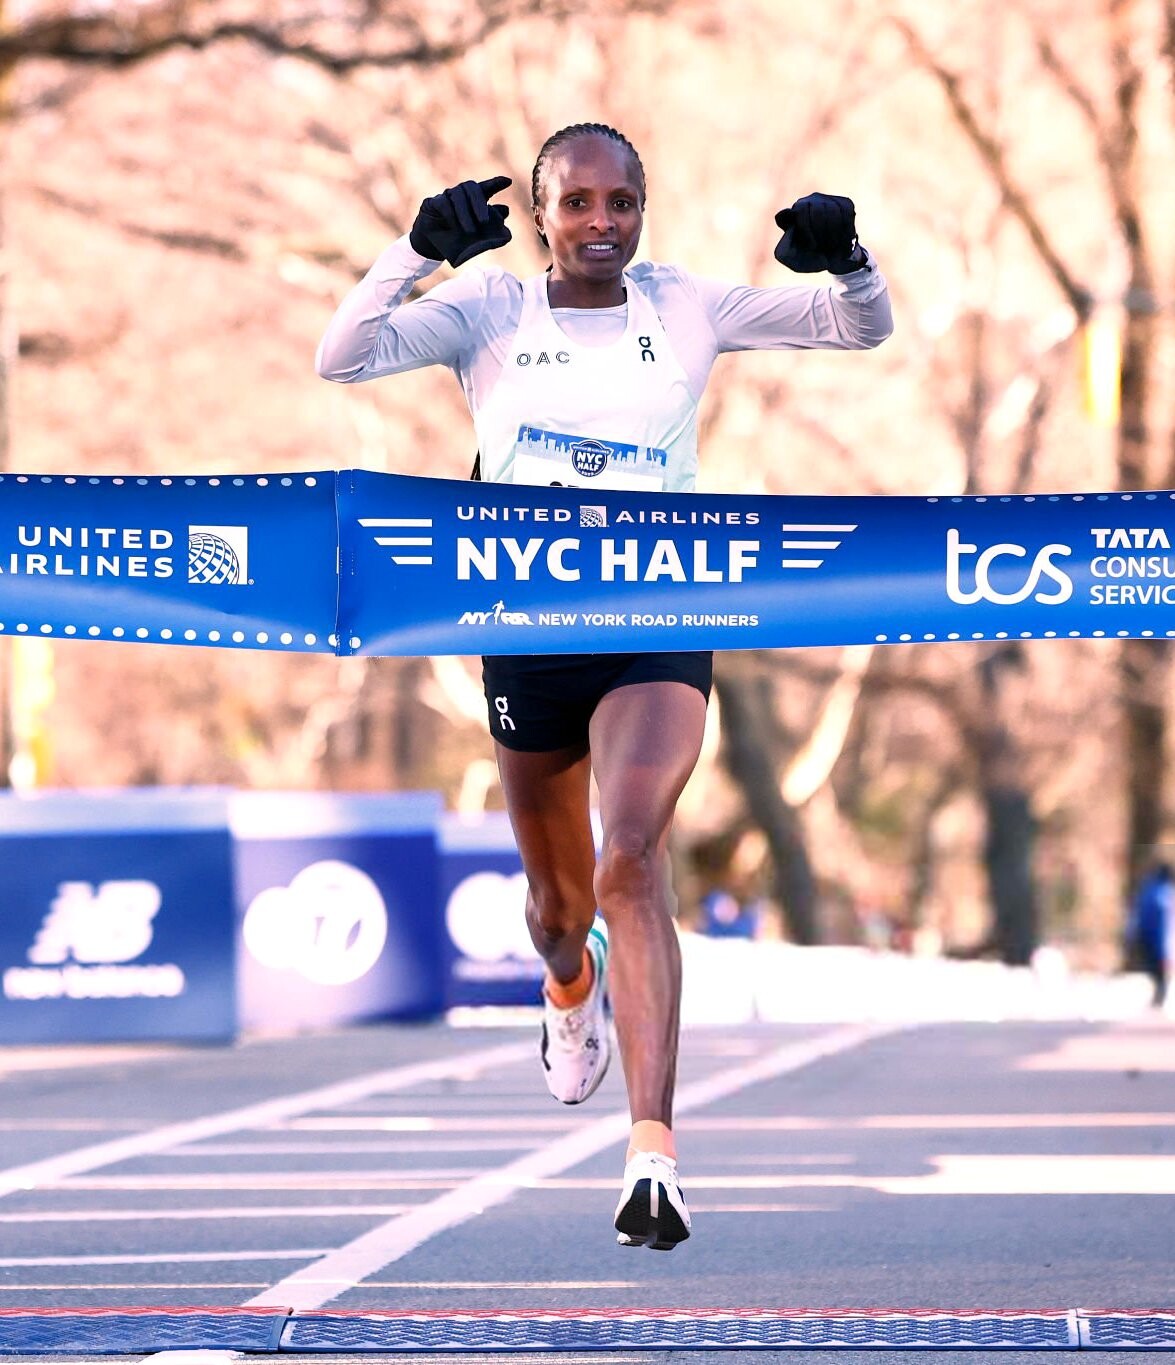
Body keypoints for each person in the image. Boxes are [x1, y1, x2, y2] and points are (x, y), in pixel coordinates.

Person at [315, 122, 894, 1249]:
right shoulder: (488, 312)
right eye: (575, 203)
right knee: (557, 911)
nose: (599, 224)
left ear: (641, 210)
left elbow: (856, 328)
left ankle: (652, 1158)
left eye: (619, 203)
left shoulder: (684, 307)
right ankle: (567, 991)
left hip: (656, 617)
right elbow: (343, 356)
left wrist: (849, 262)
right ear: (540, 215)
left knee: (632, 854)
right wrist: (414, 253)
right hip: (524, 628)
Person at [1127, 861, 1174, 1007]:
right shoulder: (1164, 894)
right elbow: (1162, 924)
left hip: (1145, 937)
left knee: (1155, 971)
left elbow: (1136, 916)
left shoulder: (1147, 889)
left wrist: (1131, 935)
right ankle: (1158, 1000)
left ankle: (1157, 998)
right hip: (1156, 939)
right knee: (1159, 972)